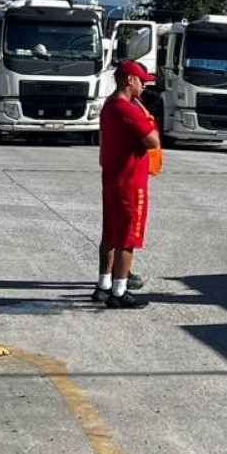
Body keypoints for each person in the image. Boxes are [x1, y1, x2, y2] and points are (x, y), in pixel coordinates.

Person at [95, 59, 160, 310]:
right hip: (131, 181)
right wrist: (147, 117)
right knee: (128, 239)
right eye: (142, 81)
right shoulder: (128, 109)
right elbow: (152, 141)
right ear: (130, 80)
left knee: (110, 234)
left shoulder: (109, 106)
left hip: (112, 177)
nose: (144, 86)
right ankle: (119, 290)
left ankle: (103, 285)